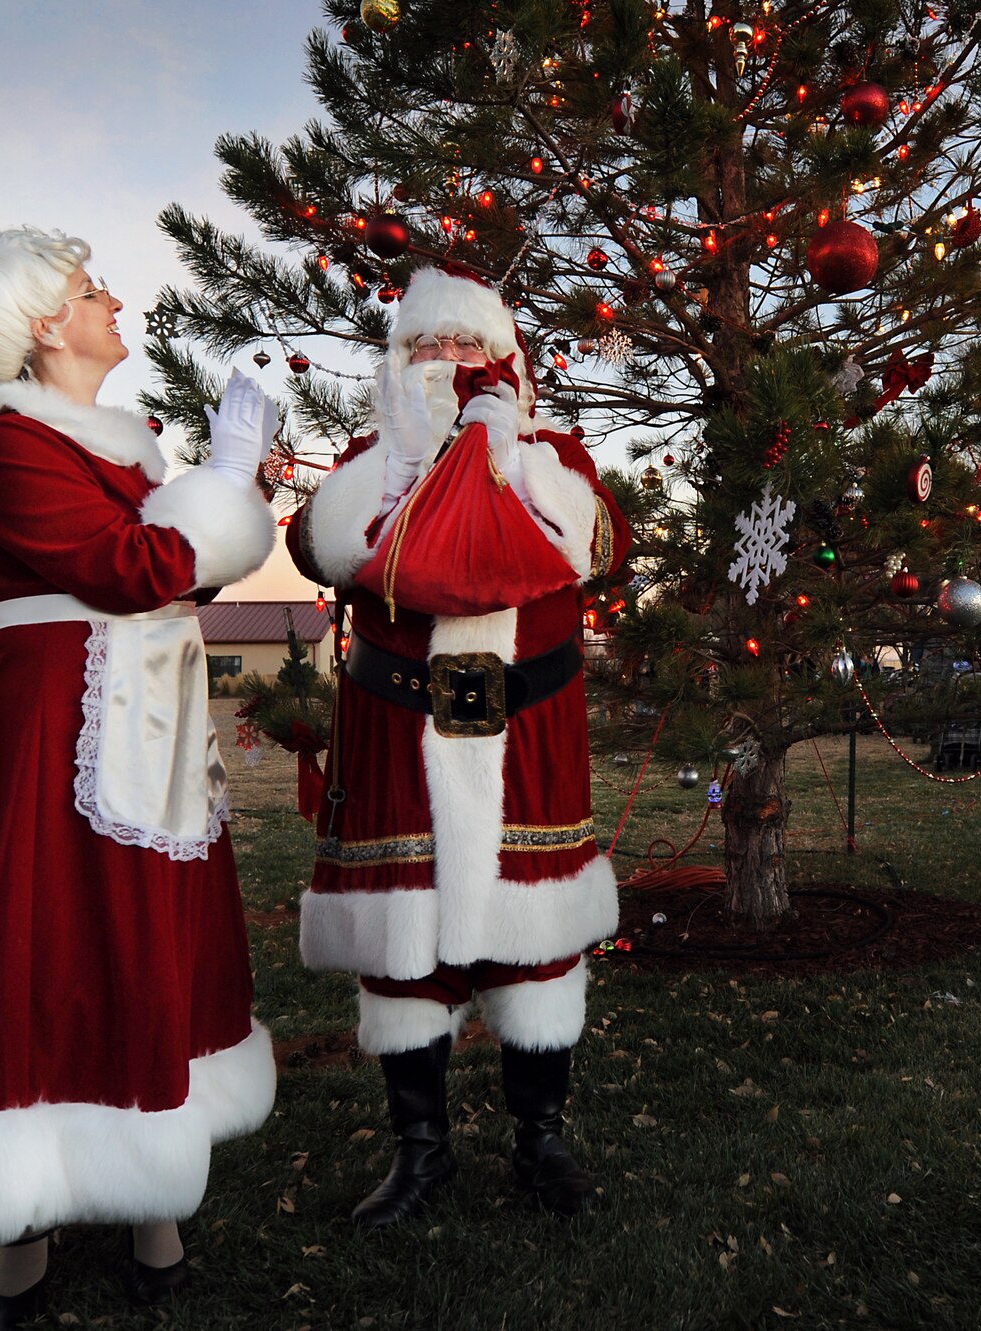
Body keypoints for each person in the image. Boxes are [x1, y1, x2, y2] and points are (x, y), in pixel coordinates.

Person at [0, 229, 278, 1327]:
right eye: (91, 290)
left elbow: (169, 572)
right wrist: (231, 473)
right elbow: (134, 567)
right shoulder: (7, 443)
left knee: (148, 923)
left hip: (155, 718)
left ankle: (152, 1182)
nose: (115, 301)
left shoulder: (133, 444)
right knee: (44, 931)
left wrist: (208, 481)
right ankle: (23, 1212)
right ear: (44, 327)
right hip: (62, 723)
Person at [286, 265, 631, 1226]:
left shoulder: (550, 450)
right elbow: (320, 551)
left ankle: (541, 1139)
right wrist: (392, 468)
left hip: (528, 734)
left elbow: (596, 549)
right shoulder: (370, 455)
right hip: (398, 734)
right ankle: (420, 1153)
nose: (444, 363)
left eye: (463, 346)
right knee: (405, 950)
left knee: (539, 943)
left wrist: (510, 452)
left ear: (503, 359)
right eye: (424, 347)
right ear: (398, 364)